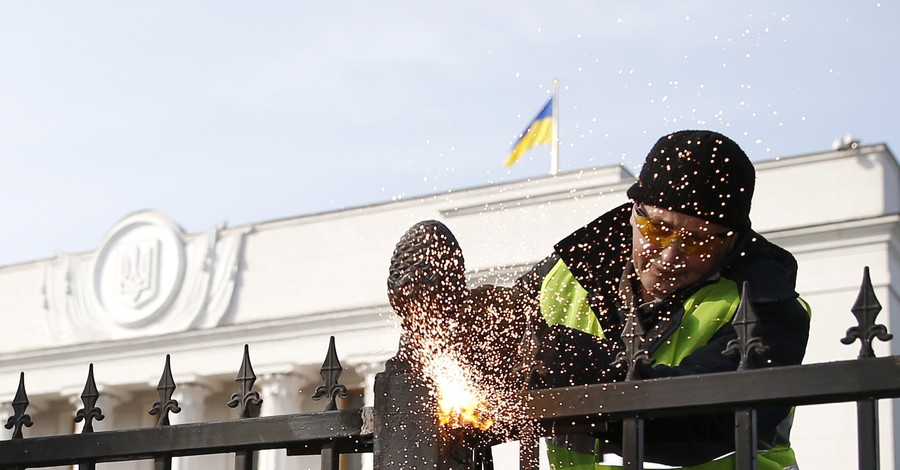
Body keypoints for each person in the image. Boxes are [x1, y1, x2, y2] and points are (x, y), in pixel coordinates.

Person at [513, 130, 810, 469]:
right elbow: (493, 351)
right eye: (657, 230)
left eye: (698, 241)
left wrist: (586, 369)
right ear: (633, 213)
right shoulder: (565, 275)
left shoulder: (769, 307)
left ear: (732, 243)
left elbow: (703, 423)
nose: (671, 256)